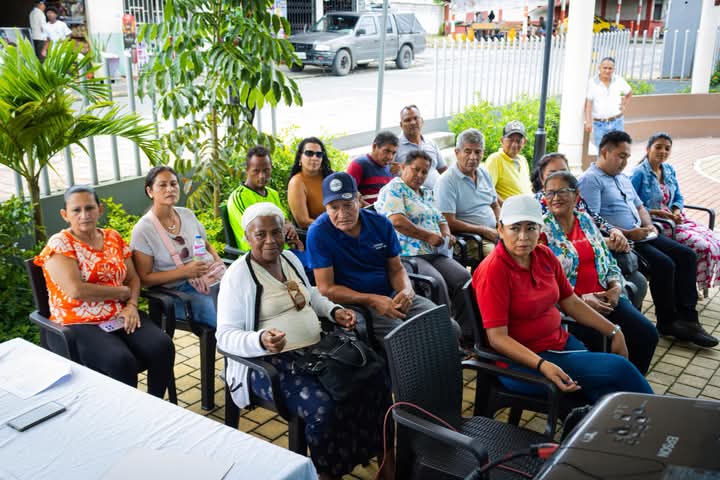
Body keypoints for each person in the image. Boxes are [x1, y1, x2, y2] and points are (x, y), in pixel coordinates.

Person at [216, 203, 392, 480]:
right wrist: (260, 340)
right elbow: (225, 336)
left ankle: (386, 460)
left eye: (276, 232)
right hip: (271, 363)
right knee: (325, 406)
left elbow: (310, 293)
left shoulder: (289, 259)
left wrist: (333, 311)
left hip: (319, 351)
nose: (270, 241)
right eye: (261, 234)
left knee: (375, 376)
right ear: (247, 237)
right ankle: (327, 474)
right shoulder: (238, 276)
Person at [473, 194, 653, 402]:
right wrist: (543, 365)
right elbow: (498, 338)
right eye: (515, 228)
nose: (523, 236)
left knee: (606, 393)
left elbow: (571, 301)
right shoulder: (493, 271)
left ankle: (618, 421)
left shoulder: (543, 255)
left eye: (531, 228)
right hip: (522, 364)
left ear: (540, 230)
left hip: (559, 345)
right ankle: (661, 417)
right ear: (500, 229)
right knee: (619, 369)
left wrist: (614, 331)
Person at [578, 130, 718, 348]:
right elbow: (591, 222)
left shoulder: (622, 177)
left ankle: (689, 320)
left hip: (643, 234)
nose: (625, 162)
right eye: (621, 156)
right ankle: (668, 322)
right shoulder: (591, 180)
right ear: (604, 152)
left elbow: (640, 206)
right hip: (622, 242)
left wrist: (649, 225)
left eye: (627, 156)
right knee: (665, 264)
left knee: (687, 255)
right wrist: (628, 233)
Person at [34, 185, 175, 397]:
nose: (84, 215)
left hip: (119, 313)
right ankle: (124, 413)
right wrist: (121, 293)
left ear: (100, 210)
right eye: (76, 210)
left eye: (90, 208)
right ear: (65, 215)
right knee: (121, 361)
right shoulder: (61, 244)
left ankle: (155, 405)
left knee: (163, 347)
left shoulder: (112, 237)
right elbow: (76, 290)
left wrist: (131, 305)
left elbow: (133, 277)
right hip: (77, 322)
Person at [540, 171, 658, 374]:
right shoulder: (541, 231)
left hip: (606, 298)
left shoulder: (585, 221)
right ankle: (612, 386)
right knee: (605, 352)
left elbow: (608, 261)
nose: (555, 198)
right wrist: (580, 299)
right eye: (550, 193)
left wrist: (615, 287)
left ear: (576, 195)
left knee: (647, 334)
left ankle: (630, 384)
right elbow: (544, 284)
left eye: (562, 191)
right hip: (573, 308)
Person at [307, 172, 437, 346]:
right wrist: (373, 300)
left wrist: (406, 291)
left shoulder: (380, 223)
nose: (342, 214)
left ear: (358, 199)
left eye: (348, 205)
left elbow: (396, 268)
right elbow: (327, 288)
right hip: (356, 305)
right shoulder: (318, 232)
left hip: (391, 295)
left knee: (446, 327)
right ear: (326, 208)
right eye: (334, 207)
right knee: (407, 342)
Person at [375, 150, 471, 318]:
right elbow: (396, 221)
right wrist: (427, 236)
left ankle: (467, 329)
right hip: (408, 255)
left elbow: (440, 218)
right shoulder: (394, 188)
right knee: (436, 283)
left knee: (463, 278)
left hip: (435, 251)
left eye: (424, 172)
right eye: (416, 169)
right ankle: (446, 328)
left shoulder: (426, 192)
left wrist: (446, 233)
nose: (420, 175)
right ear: (403, 167)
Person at [131, 166, 222, 329]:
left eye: (173, 184)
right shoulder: (143, 230)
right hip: (178, 293)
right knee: (225, 317)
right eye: (163, 185)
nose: (170, 189)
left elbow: (206, 245)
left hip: (211, 278)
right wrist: (185, 272)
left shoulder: (187, 214)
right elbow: (144, 278)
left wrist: (219, 263)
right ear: (150, 191)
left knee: (249, 303)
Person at [631, 132, 720, 293]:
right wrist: (660, 213)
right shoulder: (639, 173)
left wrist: (677, 210)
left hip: (676, 220)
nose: (663, 151)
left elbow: (678, 196)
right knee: (702, 246)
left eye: (667, 148)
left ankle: (690, 283)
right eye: (658, 147)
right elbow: (631, 205)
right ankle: (689, 286)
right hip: (658, 224)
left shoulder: (669, 170)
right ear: (648, 149)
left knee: (714, 241)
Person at [531, 152, 630, 253]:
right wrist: (602, 242)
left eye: (563, 172)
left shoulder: (575, 198)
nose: (559, 178)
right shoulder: (538, 205)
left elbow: (595, 218)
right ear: (542, 179)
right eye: (552, 174)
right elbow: (555, 241)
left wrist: (614, 231)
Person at [435, 128, 500, 260]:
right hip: (471, 239)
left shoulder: (483, 173)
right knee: (499, 258)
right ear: (457, 152)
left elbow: (495, 205)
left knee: (524, 246)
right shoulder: (447, 181)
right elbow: (448, 222)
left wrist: (501, 224)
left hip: (494, 232)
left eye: (478, 152)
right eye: (468, 151)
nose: (473, 157)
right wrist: (483, 230)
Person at [226, 145, 302, 252]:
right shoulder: (239, 197)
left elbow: (283, 220)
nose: (262, 176)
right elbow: (256, 231)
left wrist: (290, 227)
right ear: (247, 170)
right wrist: (282, 230)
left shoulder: (272, 194)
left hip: (283, 250)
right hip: (259, 254)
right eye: (256, 171)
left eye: (266, 170)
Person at [584, 57, 632, 150]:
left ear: (613, 69)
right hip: (599, 124)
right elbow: (589, 104)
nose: (607, 71)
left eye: (610, 68)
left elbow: (629, 92)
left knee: (619, 150)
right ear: (599, 67)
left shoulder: (619, 80)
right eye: (605, 68)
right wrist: (588, 122)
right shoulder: (592, 83)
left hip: (617, 122)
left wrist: (624, 104)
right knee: (602, 151)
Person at [396, 105, 447, 188]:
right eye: (407, 120)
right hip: (409, 194)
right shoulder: (395, 146)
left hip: (437, 192)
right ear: (401, 125)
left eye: (416, 118)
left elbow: (443, 170)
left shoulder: (431, 143)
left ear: (422, 121)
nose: (413, 122)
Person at [287, 137, 334, 229]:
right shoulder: (296, 182)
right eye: (309, 153)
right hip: (318, 232)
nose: (315, 158)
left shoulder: (330, 176)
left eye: (319, 154)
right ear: (300, 157)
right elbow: (303, 222)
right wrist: (335, 225)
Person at [346, 131, 400, 205]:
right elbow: (348, 194)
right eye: (386, 151)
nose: (390, 157)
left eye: (393, 153)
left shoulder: (391, 169)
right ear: (374, 147)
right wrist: (371, 209)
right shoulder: (358, 165)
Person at [485, 120, 533, 201]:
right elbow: (488, 189)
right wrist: (504, 206)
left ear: (524, 142)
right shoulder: (495, 159)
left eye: (518, 141)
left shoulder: (523, 160)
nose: (514, 144)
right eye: (510, 140)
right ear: (502, 140)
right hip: (509, 209)